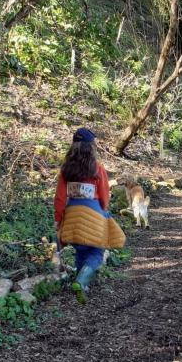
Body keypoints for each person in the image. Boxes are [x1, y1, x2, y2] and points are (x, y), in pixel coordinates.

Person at [53, 128, 125, 303]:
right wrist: (101, 212)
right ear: (90, 147)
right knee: (96, 250)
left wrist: (57, 219)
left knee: (80, 248)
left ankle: (81, 286)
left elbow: (60, 197)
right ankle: (81, 279)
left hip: (71, 215)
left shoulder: (66, 170)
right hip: (92, 211)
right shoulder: (97, 168)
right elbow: (104, 195)